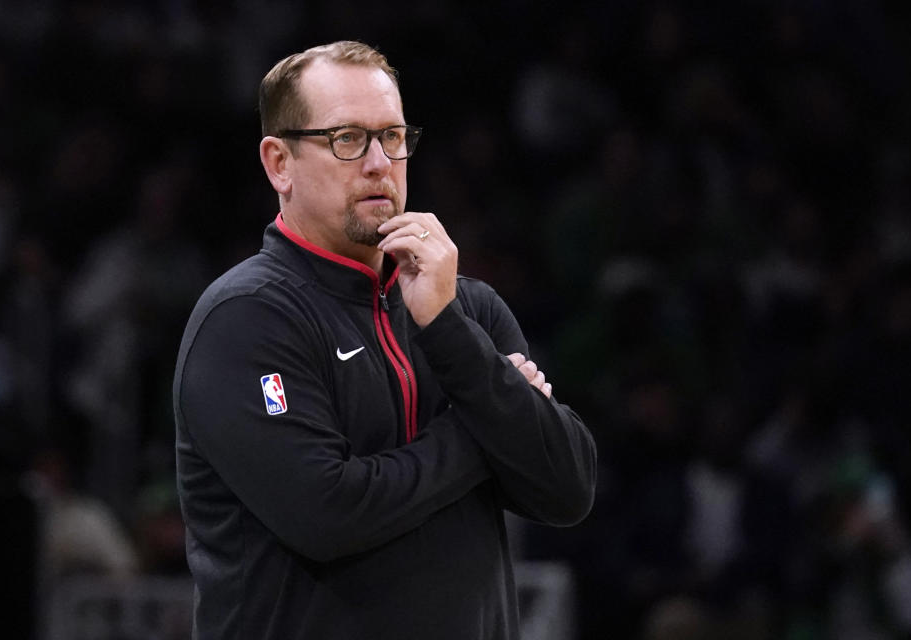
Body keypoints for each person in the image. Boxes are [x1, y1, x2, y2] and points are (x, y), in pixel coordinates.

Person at [173, 40, 596, 640]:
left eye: (393, 138)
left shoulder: (465, 307)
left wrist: (448, 330)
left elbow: (567, 490)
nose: (379, 163)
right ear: (279, 163)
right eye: (347, 139)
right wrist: (481, 432)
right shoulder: (245, 318)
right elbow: (326, 515)